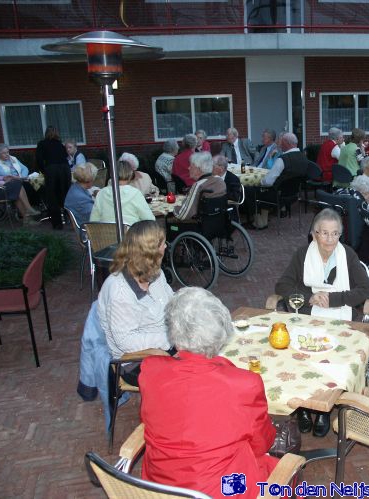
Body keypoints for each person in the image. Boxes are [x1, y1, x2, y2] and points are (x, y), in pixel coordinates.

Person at [139, 287, 277, 498]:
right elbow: (262, 443)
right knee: (284, 473)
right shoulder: (244, 384)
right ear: (220, 333)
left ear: (173, 332)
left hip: (160, 488)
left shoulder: (150, 370)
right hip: (222, 490)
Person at [275, 208, 369, 437]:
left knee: (331, 360)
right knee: (300, 356)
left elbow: (367, 290)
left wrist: (334, 299)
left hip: (340, 315)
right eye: (324, 233)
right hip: (308, 314)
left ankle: (323, 411)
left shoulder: (347, 255)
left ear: (340, 234)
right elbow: (283, 285)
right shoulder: (302, 254)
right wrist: (308, 297)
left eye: (335, 233)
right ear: (314, 234)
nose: (330, 239)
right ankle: (302, 407)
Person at [97, 220, 173, 383]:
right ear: (150, 251)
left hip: (166, 344)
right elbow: (126, 341)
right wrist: (170, 338)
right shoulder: (120, 291)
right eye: (162, 243)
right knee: (191, 375)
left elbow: (172, 301)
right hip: (135, 361)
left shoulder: (155, 273)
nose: (166, 246)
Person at [251, 132, 307, 228]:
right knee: (263, 190)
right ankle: (264, 220)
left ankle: (259, 222)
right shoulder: (303, 158)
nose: (280, 145)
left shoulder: (282, 160)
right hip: (294, 194)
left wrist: (259, 183)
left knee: (250, 191)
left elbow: (268, 182)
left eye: (281, 143)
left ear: (286, 143)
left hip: (278, 196)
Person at [90, 160, 155, 225]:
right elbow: (150, 219)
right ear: (130, 174)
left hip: (106, 231)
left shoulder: (101, 193)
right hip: (130, 230)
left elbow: (93, 221)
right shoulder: (135, 193)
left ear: (111, 174)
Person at [173, 152, 226, 221]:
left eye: (191, 166)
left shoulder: (199, 185)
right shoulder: (220, 181)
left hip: (201, 224)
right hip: (219, 222)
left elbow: (183, 215)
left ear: (199, 169)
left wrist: (173, 207)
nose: (188, 168)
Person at [35, 125, 70, 229]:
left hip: (52, 170)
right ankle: (69, 217)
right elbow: (65, 157)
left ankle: (57, 223)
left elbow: (39, 160)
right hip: (65, 169)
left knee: (52, 196)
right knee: (65, 194)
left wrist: (44, 171)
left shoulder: (42, 144)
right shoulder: (60, 144)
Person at [64, 162, 97, 227]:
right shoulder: (81, 197)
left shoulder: (76, 187)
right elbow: (96, 215)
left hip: (84, 222)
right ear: (90, 179)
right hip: (87, 228)